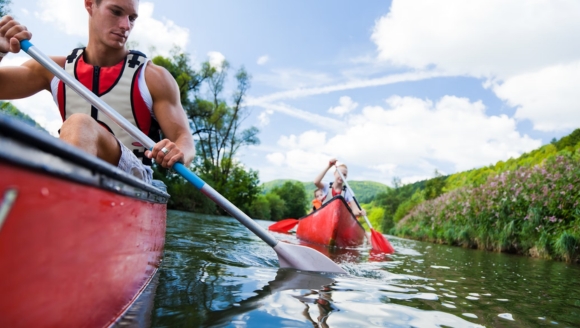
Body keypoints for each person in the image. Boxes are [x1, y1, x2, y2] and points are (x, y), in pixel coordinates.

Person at [0, 0, 194, 186]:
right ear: (90, 4)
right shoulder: (53, 69)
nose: (125, 25)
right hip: (72, 165)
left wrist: (178, 151)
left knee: (79, 123)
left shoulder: (153, 77)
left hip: (134, 178)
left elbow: (184, 139)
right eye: (116, 12)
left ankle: (57, 201)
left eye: (132, 18)